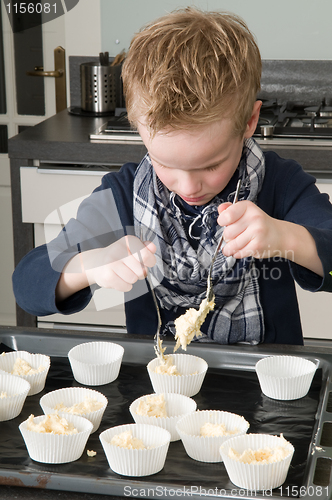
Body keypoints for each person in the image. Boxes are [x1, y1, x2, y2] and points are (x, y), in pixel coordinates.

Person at [12, 8, 332, 345]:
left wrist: (287, 238)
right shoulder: (122, 197)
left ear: (250, 123)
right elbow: (26, 286)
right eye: (165, 164)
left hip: (265, 386)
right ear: (139, 131)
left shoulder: (282, 186)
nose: (189, 186)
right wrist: (91, 264)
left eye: (211, 165)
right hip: (157, 389)